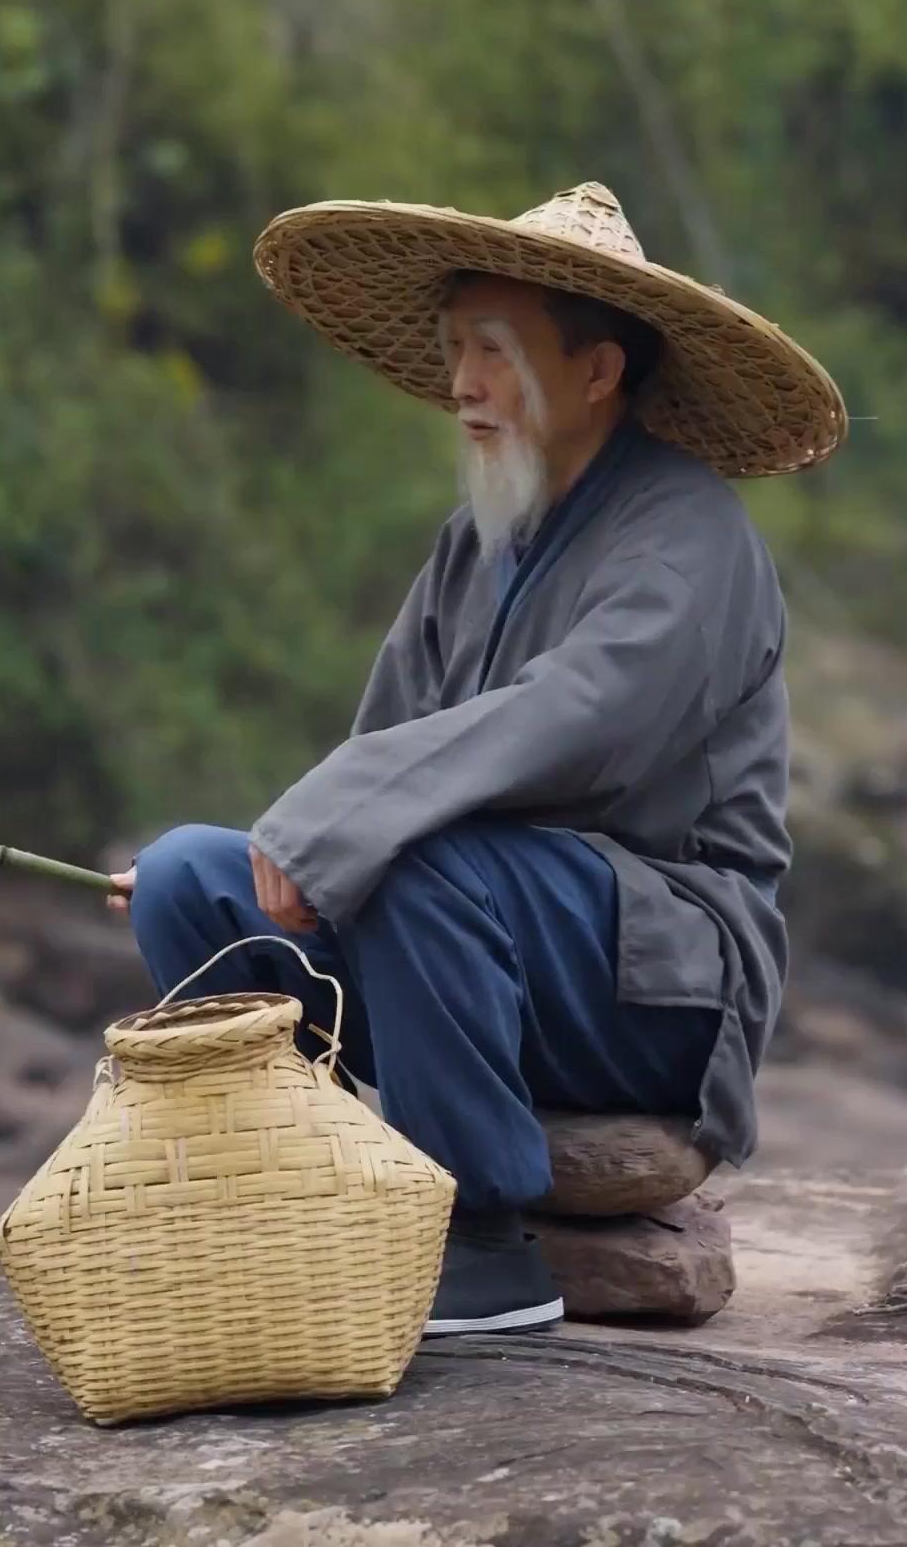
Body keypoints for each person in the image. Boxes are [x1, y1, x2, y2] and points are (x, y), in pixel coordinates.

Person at [108, 181, 846, 1334]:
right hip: (474, 945)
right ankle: (309, 1183)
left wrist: (342, 826)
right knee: (184, 876)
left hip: (660, 986)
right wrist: (270, 857)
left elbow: (582, 719)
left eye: (494, 352)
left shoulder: (691, 535)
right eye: (456, 351)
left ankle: (481, 1241)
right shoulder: (476, 542)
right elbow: (385, 747)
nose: (461, 385)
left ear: (598, 371)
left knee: (409, 850)